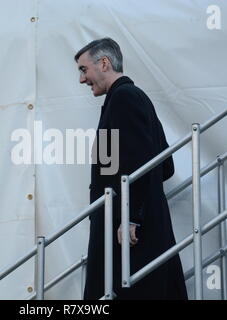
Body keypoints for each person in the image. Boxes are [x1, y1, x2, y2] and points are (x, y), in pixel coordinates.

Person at [75, 38, 188, 300]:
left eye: (83, 70)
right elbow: (164, 165)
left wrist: (131, 217)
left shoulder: (124, 98)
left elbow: (140, 162)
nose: (82, 79)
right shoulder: (127, 98)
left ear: (104, 63)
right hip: (130, 224)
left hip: (129, 230)